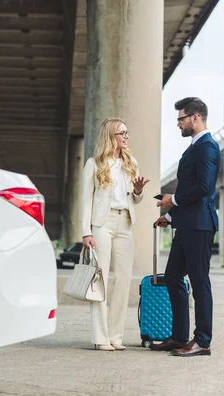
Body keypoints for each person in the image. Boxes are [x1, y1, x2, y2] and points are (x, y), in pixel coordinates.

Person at [153, 97, 220, 357]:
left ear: (195, 117)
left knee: (199, 282)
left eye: (181, 119)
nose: (178, 124)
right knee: (172, 276)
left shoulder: (207, 147)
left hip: (200, 226)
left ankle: (202, 340)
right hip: (186, 224)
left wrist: (173, 200)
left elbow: (204, 188)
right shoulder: (194, 147)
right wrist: (169, 216)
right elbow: (189, 188)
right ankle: (180, 336)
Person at [81, 118, 149, 351]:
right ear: (111, 136)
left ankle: (115, 336)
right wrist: (85, 232)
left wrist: (139, 191)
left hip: (125, 223)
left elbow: (135, 199)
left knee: (123, 279)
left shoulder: (131, 163)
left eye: (127, 132)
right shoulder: (94, 163)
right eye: (122, 133)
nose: (127, 136)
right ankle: (101, 338)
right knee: (100, 279)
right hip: (102, 223)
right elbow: (86, 200)